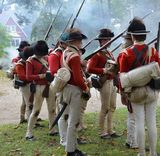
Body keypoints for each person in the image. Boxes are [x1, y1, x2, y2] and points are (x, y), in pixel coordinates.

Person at [118, 17, 160, 156]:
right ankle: (153, 153)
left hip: (135, 93)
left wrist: (123, 94)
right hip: (151, 91)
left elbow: (123, 79)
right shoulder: (153, 52)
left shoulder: (125, 54)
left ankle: (142, 153)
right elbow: (159, 73)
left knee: (139, 123)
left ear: (132, 35)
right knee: (151, 123)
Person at [60, 28, 90, 156]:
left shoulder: (65, 52)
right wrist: (86, 88)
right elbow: (77, 79)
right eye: (80, 41)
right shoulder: (75, 56)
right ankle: (71, 150)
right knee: (74, 121)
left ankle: (71, 146)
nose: (81, 44)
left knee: (69, 120)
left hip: (66, 88)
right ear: (76, 41)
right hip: (74, 90)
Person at [87, 28, 120, 139]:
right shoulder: (97, 53)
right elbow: (89, 68)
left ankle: (110, 130)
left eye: (110, 39)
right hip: (104, 81)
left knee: (112, 106)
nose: (110, 41)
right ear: (102, 41)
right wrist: (104, 71)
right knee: (105, 107)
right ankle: (102, 131)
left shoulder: (108, 52)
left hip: (112, 81)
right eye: (107, 39)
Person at [25, 40, 57, 140]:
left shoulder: (47, 58)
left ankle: (52, 129)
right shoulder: (30, 61)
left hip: (50, 86)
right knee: (36, 111)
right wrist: (42, 76)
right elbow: (28, 77)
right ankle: (29, 133)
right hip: (39, 87)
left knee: (52, 109)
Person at [117, 33, 138, 149]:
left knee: (132, 115)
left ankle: (130, 140)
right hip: (131, 87)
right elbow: (121, 74)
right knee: (134, 116)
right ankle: (133, 142)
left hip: (127, 86)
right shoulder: (126, 54)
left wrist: (121, 90)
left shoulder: (123, 53)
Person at [15, 46, 34, 123]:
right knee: (29, 104)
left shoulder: (28, 62)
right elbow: (22, 77)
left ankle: (23, 118)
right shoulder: (20, 64)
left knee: (25, 102)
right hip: (25, 86)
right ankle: (31, 121)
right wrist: (33, 77)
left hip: (29, 84)